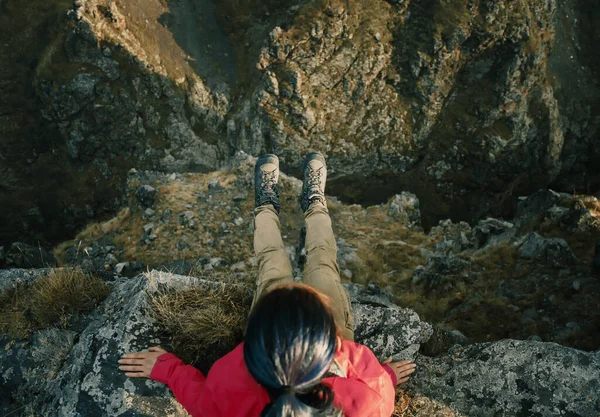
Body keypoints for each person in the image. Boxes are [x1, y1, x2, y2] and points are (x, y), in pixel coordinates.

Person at [118, 152, 417, 416]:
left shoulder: (229, 380)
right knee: (323, 263)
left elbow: (202, 401)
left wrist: (167, 369)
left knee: (273, 262)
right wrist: (385, 377)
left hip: (293, 332)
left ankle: (265, 205)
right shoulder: (371, 400)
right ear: (333, 343)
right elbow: (375, 384)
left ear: (252, 343)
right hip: (302, 334)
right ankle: (315, 203)